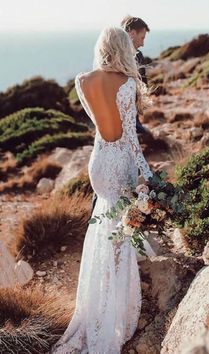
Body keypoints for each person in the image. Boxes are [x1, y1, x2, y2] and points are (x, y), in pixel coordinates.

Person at [50, 27, 154, 354]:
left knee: (102, 228)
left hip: (98, 163)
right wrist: (149, 177)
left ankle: (96, 303)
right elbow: (132, 140)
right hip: (120, 160)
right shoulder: (127, 83)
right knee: (121, 235)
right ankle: (113, 309)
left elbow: (97, 124)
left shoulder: (83, 81)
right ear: (124, 48)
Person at [91, 16, 151, 212]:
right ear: (131, 34)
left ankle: (130, 217)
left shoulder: (138, 57)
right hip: (115, 130)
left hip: (124, 122)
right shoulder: (117, 71)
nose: (142, 42)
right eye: (141, 36)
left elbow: (143, 86)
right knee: (112, 185)